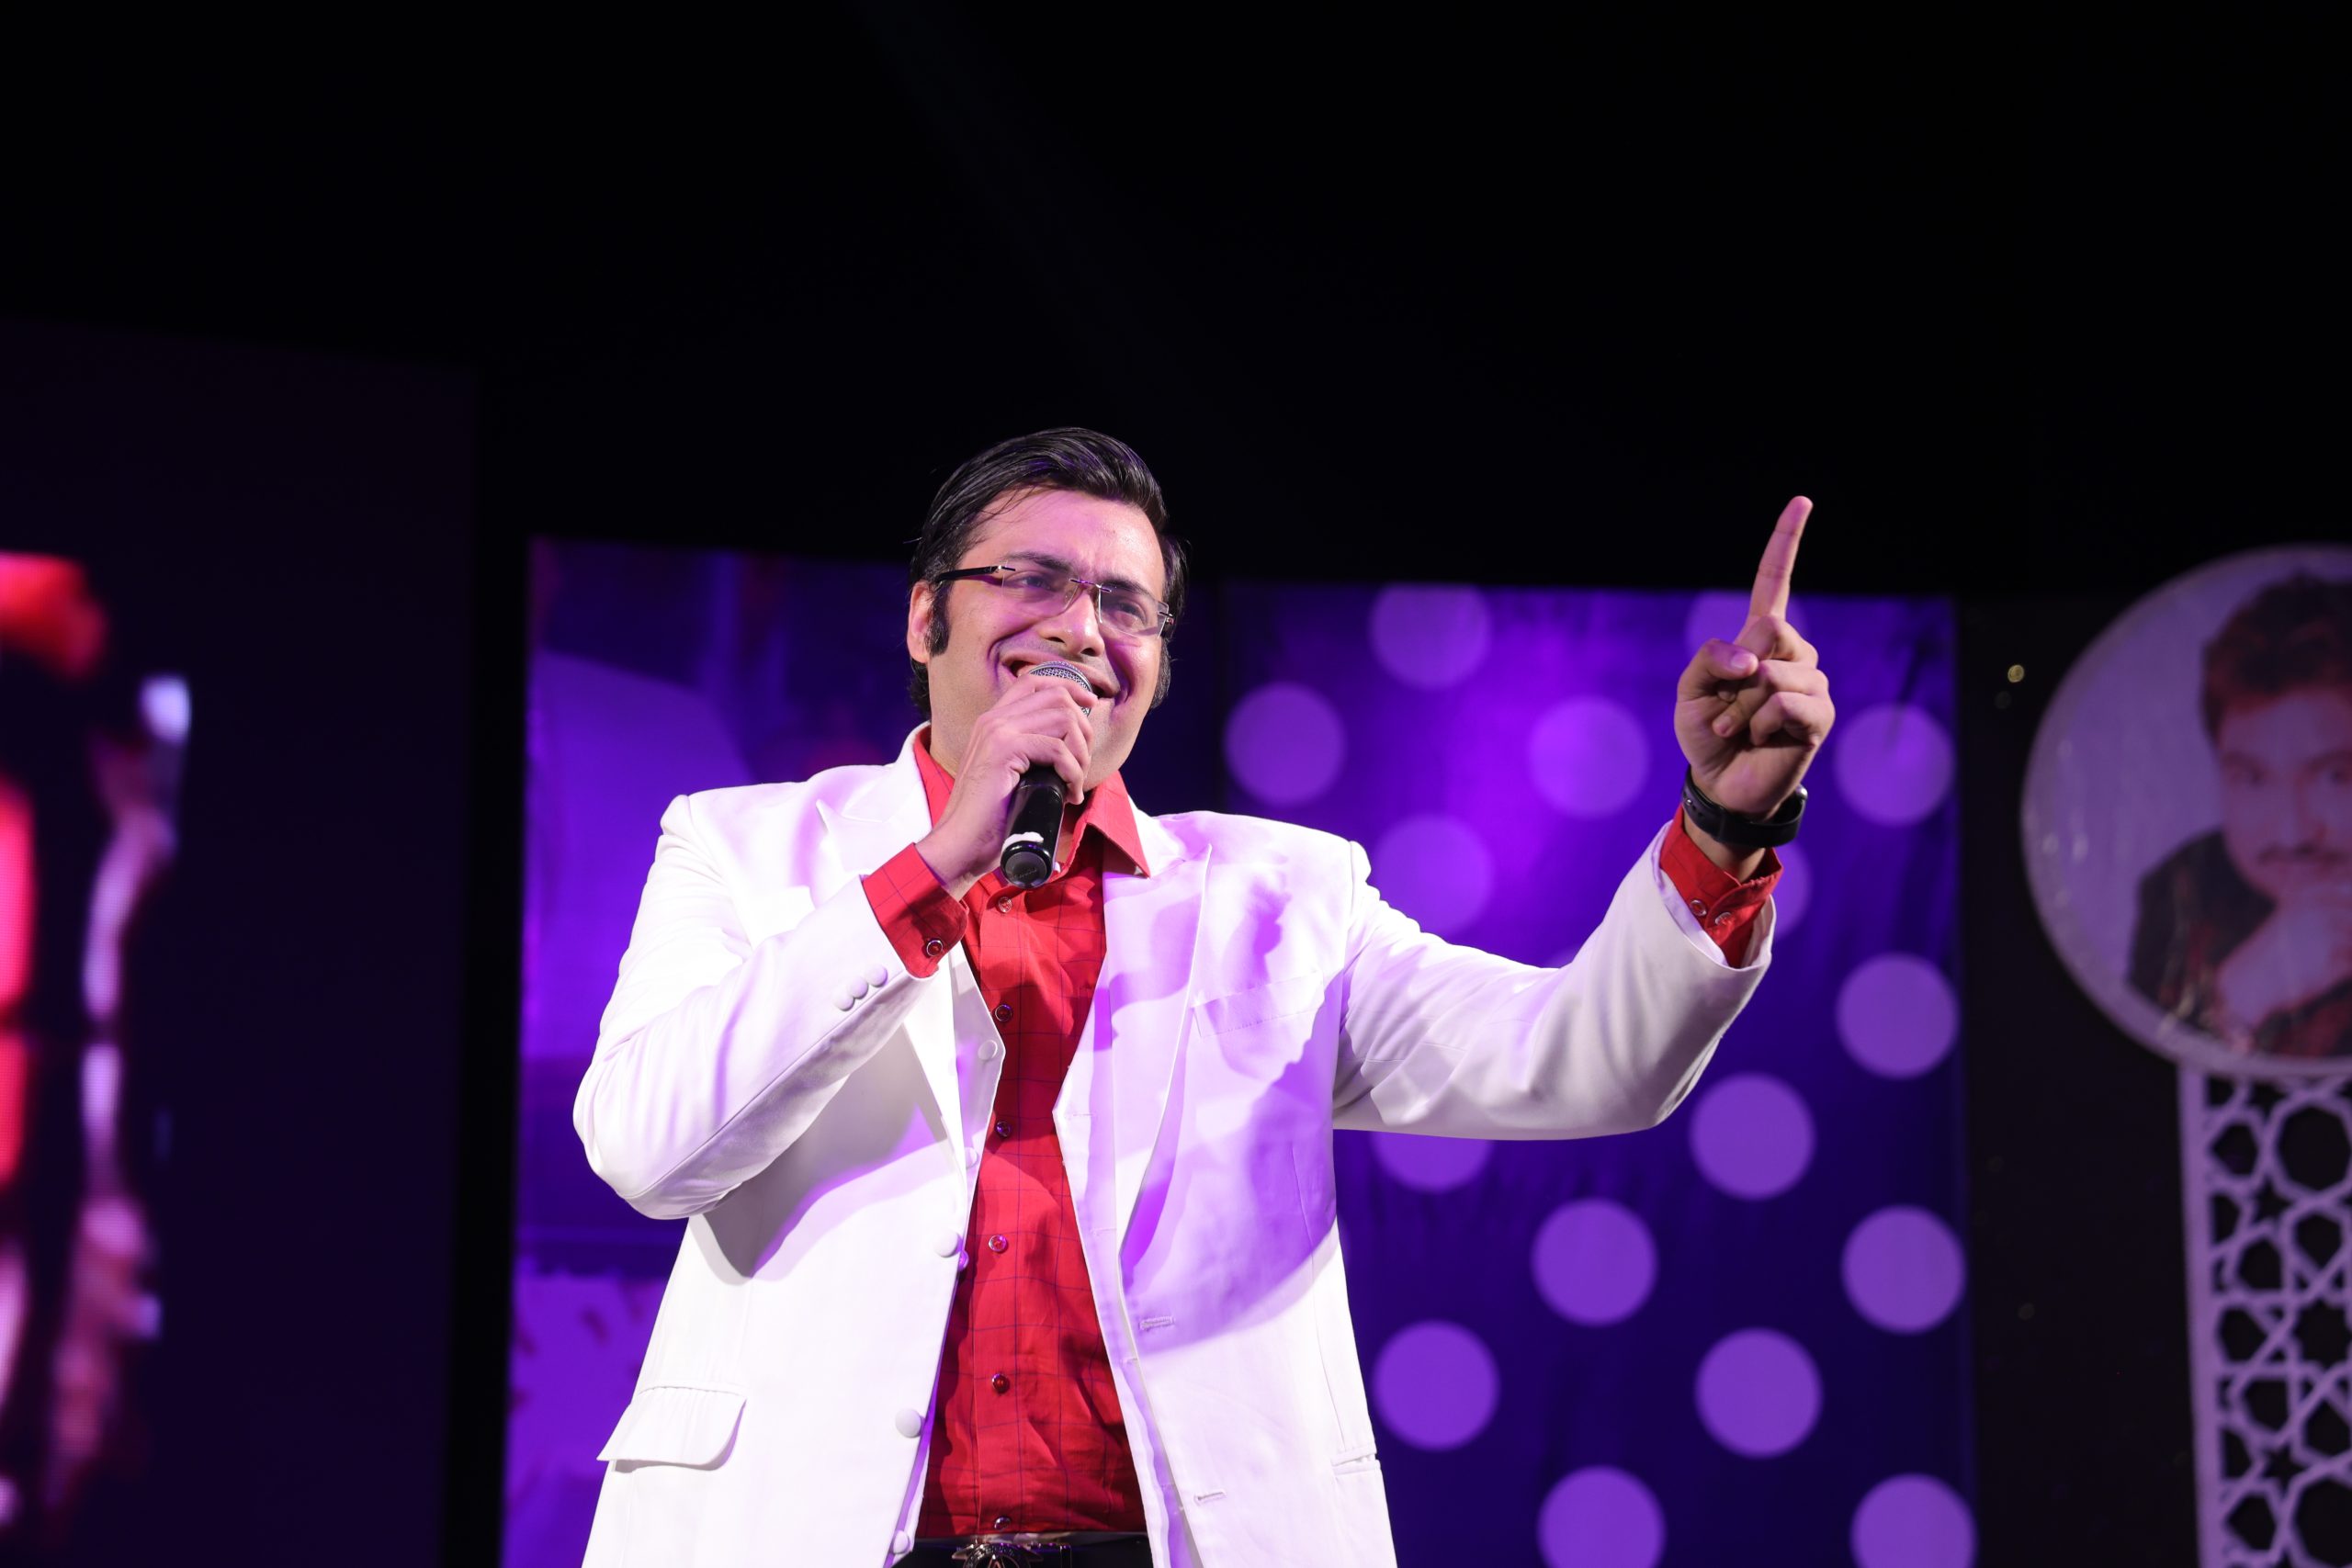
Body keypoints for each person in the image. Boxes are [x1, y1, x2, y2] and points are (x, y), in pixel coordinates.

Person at [572, 429, 1833, 1567]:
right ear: (925, 620)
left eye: (1125, 603)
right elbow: (646, 1146)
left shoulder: (1283, 899)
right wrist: (934, 866)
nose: (1080, 627)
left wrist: (1723, 826)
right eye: (1029, 578)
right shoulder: (743, 849)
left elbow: (1579, 1061)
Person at [2130, 573, 2352, 1058]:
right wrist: (2239, 996)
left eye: (2335, 777)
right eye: (2252, 778)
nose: (2293, 832)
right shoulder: (2184, 886)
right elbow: (2132, 1081)